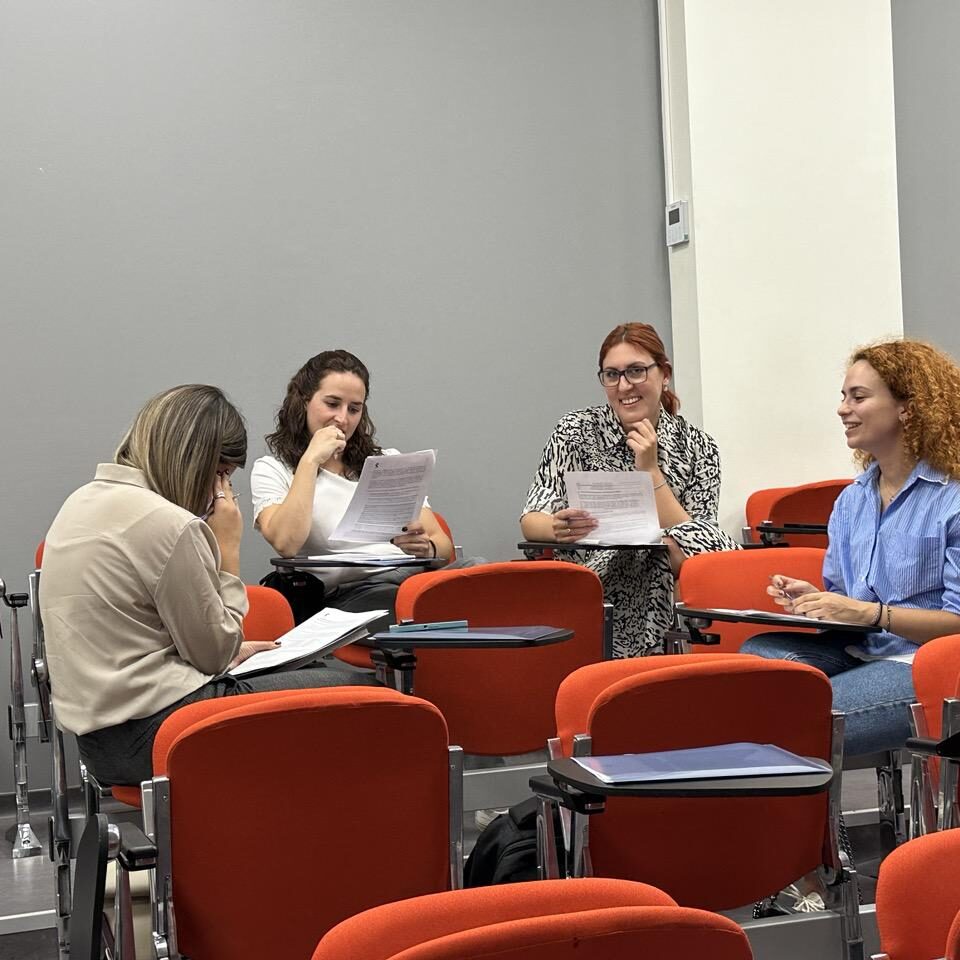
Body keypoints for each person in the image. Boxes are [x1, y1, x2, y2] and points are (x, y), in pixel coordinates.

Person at [40, 385, 376, 786]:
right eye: (222, 474)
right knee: (367, 693)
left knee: (313, 677)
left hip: (102, 743)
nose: (222, 490)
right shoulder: (167, 524)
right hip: (155, 732)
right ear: (195, 461)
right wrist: (227, 549)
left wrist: (233, 652)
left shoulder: (82, 501)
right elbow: (214, 656)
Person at [742, 339, 960, 756]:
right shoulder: (852, 500)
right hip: (863, 648)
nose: (843, 409)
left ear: (907, 408)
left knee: (799, 719)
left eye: (858, 397)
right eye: (843, 397)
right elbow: (848, 600)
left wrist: (869, 613)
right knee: (755, 662)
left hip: (928, 661)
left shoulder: (952, 499)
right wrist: (818, 601)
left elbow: (957, 623)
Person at [521, 323, 739, 657]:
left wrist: (650, 470)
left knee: (674, 546)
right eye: (612, 375)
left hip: (666, 579)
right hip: (593, 579)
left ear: (664, 374)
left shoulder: (699, 447)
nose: (624, 386)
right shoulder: (575, 431)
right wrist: (556, 527)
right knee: (661, 550)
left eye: (636, 371)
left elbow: (699, 545)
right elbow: (531, 517)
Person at [251, 351, 454, 620]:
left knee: (480, 575)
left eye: (354, 409)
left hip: (411, 577)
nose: (343, 419)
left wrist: (427, 549)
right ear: (304, 401)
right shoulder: (273, 469)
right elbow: (286, 544)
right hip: (350, 592)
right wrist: (311, 460)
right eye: (332, 404)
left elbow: (443, 545)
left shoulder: (386, 461)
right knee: (408, 603)